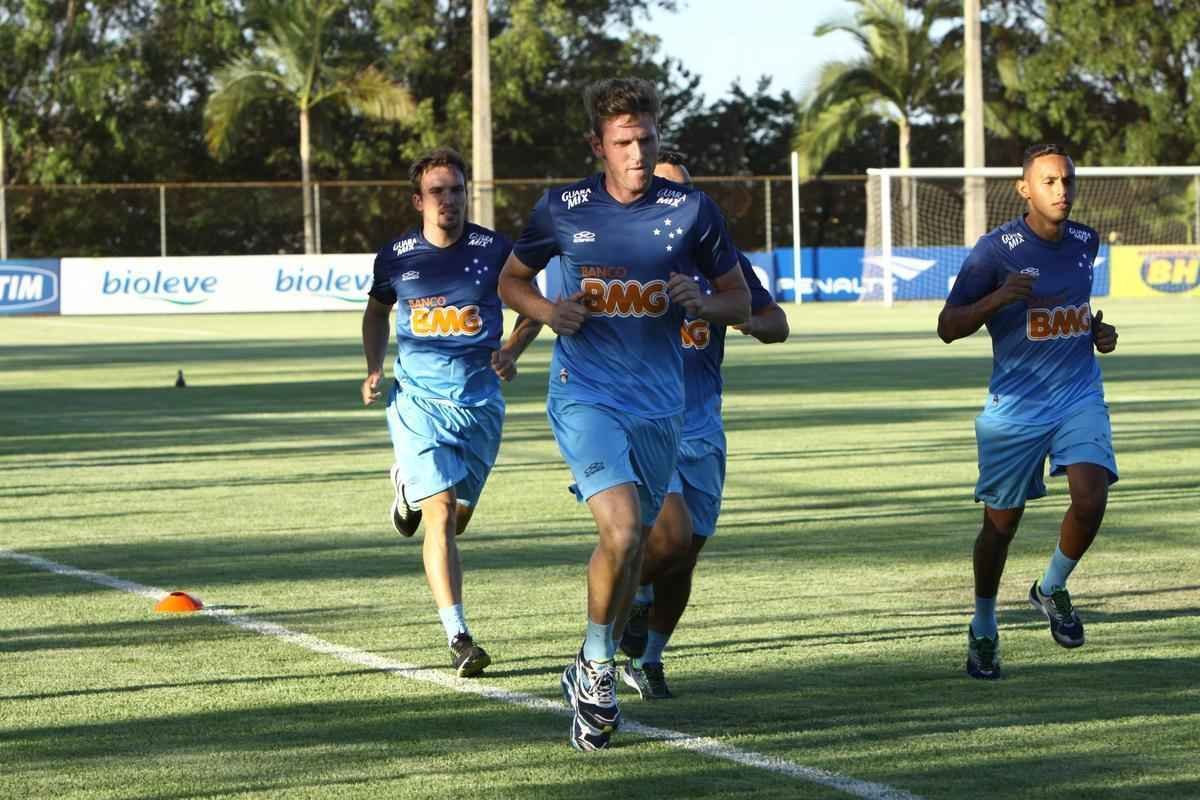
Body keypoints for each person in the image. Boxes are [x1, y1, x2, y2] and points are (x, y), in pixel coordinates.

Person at [498, 78, 750, 751]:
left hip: (663, 407)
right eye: (624, 142)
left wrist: (702, 300)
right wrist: (548, 311)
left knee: (642, 544)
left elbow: (741, 302)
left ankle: (588, 659)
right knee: (623, 527)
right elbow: (511, 280)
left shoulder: (691, 211)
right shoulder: (562, 208)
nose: (638, 153)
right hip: (585, 394)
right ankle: (600, 669)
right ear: (598, 146)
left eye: (646, 139)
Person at [937, 143, 1119, 680]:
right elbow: (948, 327)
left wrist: (1096, 333)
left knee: (1091, 496)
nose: (1061, 191)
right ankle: (984, 624)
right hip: (1016, 406)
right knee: (1000, 527)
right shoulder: (995, 252)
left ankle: (1052, 586)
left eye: (1067, 180)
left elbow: (1074, 313)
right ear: (1025, 189)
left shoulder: (1086, 240)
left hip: (1078, 394)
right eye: (1049, 182)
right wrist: (998, 298)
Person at [616, 151, 790, 701]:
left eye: (682, 193)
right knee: (669, 537)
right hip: (645, 423)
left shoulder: (720, 261)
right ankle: (624, 600)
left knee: (686, 554)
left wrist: (729, 313)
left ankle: (648, 658)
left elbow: (776, 323)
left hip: (703, 427)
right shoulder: (622, 256)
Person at [361, 147, 533, 678]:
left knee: (456, 519)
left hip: (479, 406)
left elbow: (533, 307)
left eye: (457, 190)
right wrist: (373, 367)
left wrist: (511, 349)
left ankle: (404, 486)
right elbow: (377, 311)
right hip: (417, 402)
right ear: (419, 200)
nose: (448, 200)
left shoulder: (495, 251)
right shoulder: (396, 256)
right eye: (437, 191)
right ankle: (459, 636)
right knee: (437, 513)